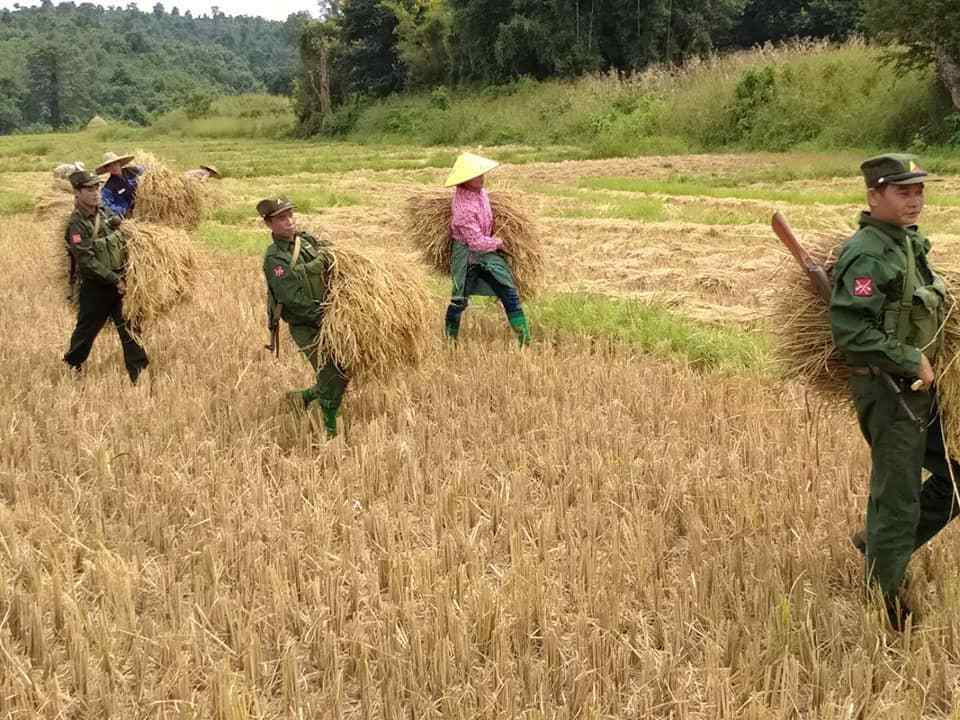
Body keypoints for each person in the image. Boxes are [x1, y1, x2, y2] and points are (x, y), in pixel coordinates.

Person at [830, 153, 958, 630]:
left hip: (924, 388)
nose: (915, 199)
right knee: (898, 495)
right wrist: (910, 358)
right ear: (873, 196)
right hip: (890, 391)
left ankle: (881, 545)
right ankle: (882, 595)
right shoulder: (866, 254)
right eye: (903, 191)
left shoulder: (906, 244)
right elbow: (851, 331)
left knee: (955, 476)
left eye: (919, 190)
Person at [259, 197, 348, 438]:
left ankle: (304, 397)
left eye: (290, 215)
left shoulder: (307, 241)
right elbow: (291, 297)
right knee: (330, 373)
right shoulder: (275, 259)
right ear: (269, 224)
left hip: (331, 318)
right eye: (281, 218)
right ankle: (331, 431)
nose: (289, 221)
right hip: (307, 324)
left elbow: (334, 258)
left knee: (344, 370)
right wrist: (322, 317)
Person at [62, 169, 149, 384]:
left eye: (96, 188)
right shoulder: (76, 225)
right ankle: (73, 366)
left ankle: (139, 374)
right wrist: (114, 280)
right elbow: (86, 261)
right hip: (95, 289)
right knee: (86, 331)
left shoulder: (104, 211)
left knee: (130, 328)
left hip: (118, 282)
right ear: (77, 192)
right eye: (89, 189)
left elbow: (117, 226)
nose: (95, 192)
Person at [442, 152, 531, 346]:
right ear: (465, 180)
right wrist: (500, 243)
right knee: (459, 301)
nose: (482, 178)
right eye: (477, 175)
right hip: (467, 256)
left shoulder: (480, 193)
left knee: (509, 292)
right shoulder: (463, 210)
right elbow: (476, 243)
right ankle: (449, 342)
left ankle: (526, 343)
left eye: (482, 174)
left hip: (486, 251)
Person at [96, 151, 143, 218]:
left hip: (143, 205)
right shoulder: (109, 186)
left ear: (119, 163)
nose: (113, 167)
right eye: (109, 166)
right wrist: (123, 210)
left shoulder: (132, 170)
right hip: (129, 213)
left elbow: (147, 172)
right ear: (107, 169)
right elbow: (104, 204)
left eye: (115, 163)